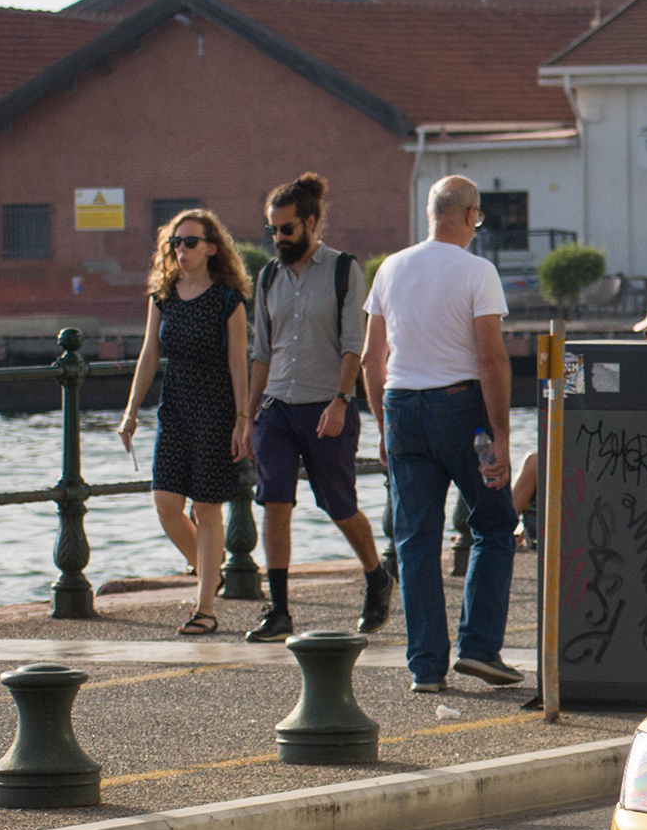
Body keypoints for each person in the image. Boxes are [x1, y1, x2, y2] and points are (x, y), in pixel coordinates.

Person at [362, 175, 518, 695]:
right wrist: (501, 434)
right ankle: (478, 649)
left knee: (414, 539)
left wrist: (383, 427)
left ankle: (426, 667)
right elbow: (492, 358)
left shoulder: (391, 268)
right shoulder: (478, 271)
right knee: (494, 522)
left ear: (432, 213)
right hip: (460, 407)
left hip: (401, 405)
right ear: (471, 214)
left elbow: (371, 358)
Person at [241, 173, 391, 644]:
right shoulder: (268, 276)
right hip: (277, 408)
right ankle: (280, 609)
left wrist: (342, 400)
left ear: (310, 223)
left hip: (327, 406)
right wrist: (248, 418)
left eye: (286, 229)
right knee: (275, 502)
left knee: (339, 504)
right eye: (272, 231)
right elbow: (261, 352)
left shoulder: (344, 271)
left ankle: (376, 577)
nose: (277, 239)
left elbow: (354, 344)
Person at [118, 210, 252, 636]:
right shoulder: (164, 294)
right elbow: (149, 355)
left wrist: (241, 420)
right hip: (174, 408)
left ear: (212, 247)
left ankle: (205, 607)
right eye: (176, 242)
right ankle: (208, 570)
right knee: (166, 503)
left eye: (191, 242)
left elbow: (238, 366)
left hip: (215, 409)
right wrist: (130, 412)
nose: (182, 250)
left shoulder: (229, 299)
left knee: (207, 507)